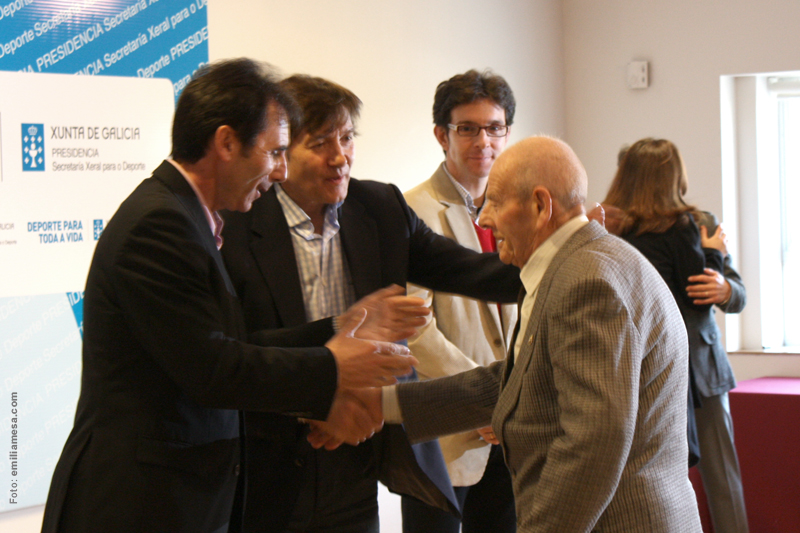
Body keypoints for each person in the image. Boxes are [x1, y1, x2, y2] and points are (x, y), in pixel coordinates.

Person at [40, 59, 420, 533]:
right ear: (226, 143)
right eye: (275, 152)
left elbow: (230, 343)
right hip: (139, 505)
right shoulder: (159, 225)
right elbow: (215, 370)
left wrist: (339, 329)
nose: (281, 172)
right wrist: (334, 367)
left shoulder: (187, 218)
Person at [324, 136, 704, 532]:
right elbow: (515, 380)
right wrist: (380, 404)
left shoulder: (586, 282)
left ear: (540, 206)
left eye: (495, 202)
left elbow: (593, 442)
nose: (484, 218)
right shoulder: (581, 265)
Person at [221, 74, 521, 533]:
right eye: (320, 143)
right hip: (269, 457)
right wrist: (332, 351)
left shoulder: (378, 207)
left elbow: (470, 271)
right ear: (282, 152)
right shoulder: (238, 221)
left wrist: (559, 252)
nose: (339, 157)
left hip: (358, 453)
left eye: (346, 138)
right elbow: (234, 351)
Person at [603, 138, 748, 533]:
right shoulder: (612, 228)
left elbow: (737, 292)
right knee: (651, 478)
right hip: (642, 369)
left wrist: (725, 288)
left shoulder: (701, 222)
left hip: (702, 369)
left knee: (721, 476)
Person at [401, 69, 517, 533]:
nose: (483, 141)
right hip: (444, 428)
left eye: (494, 128)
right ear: (441, 135)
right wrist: (484, 397)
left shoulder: (519, 210)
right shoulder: (412, 210)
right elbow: (414, 328)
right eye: (467, 128)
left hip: (510, 428)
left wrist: (512, 399)